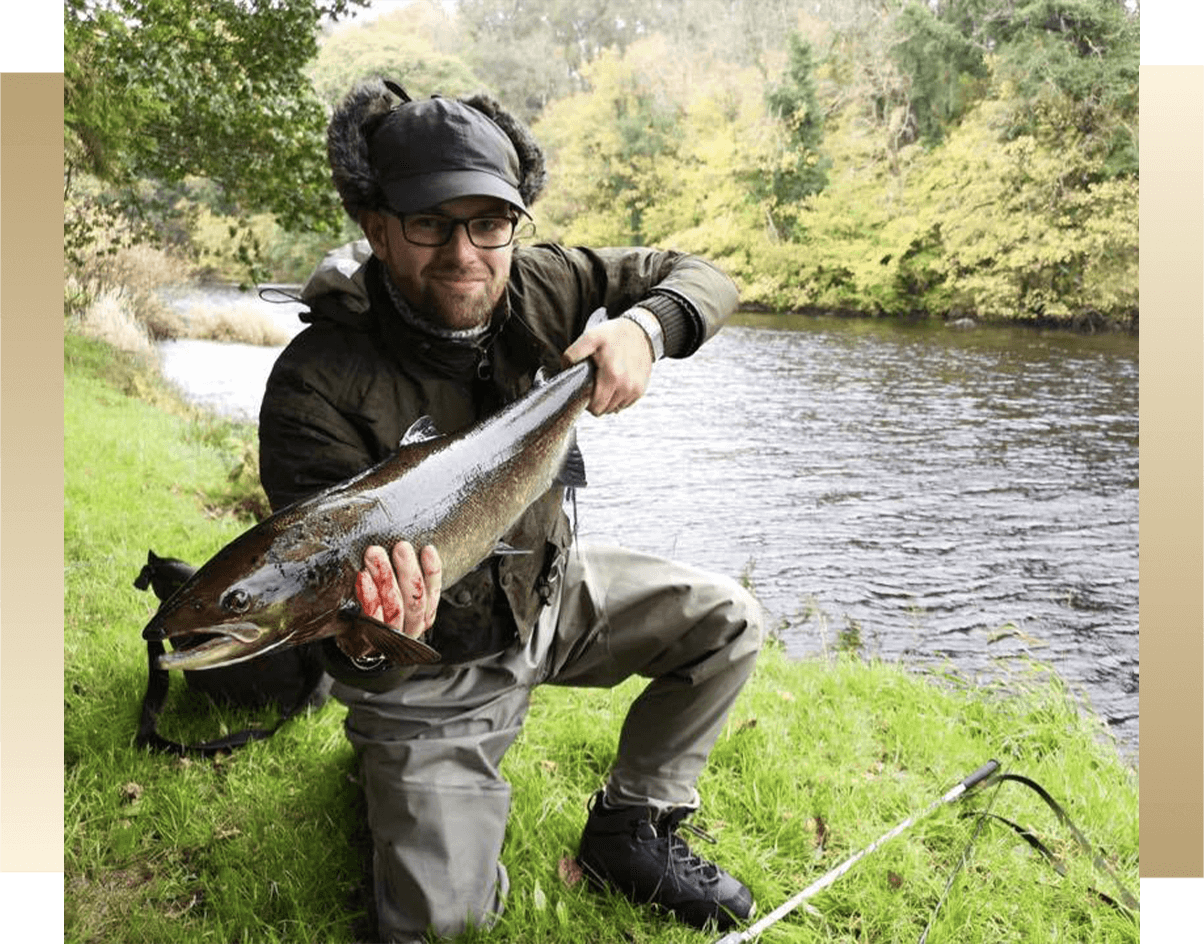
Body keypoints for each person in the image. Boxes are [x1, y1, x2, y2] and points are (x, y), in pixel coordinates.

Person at [258, 79, 763, 943]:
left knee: (726, 623)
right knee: (445, 927)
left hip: (548, 595)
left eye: (488, 222)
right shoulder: (313, 387)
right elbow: (342, 636)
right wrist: (381, 639)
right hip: (427, 665)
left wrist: (648, 327)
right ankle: (393, 771)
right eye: (429, 223)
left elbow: (704, 277)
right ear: (377, 228)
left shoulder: (545, 281)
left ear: (513, 222)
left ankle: (631, 831)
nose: (465, 252)